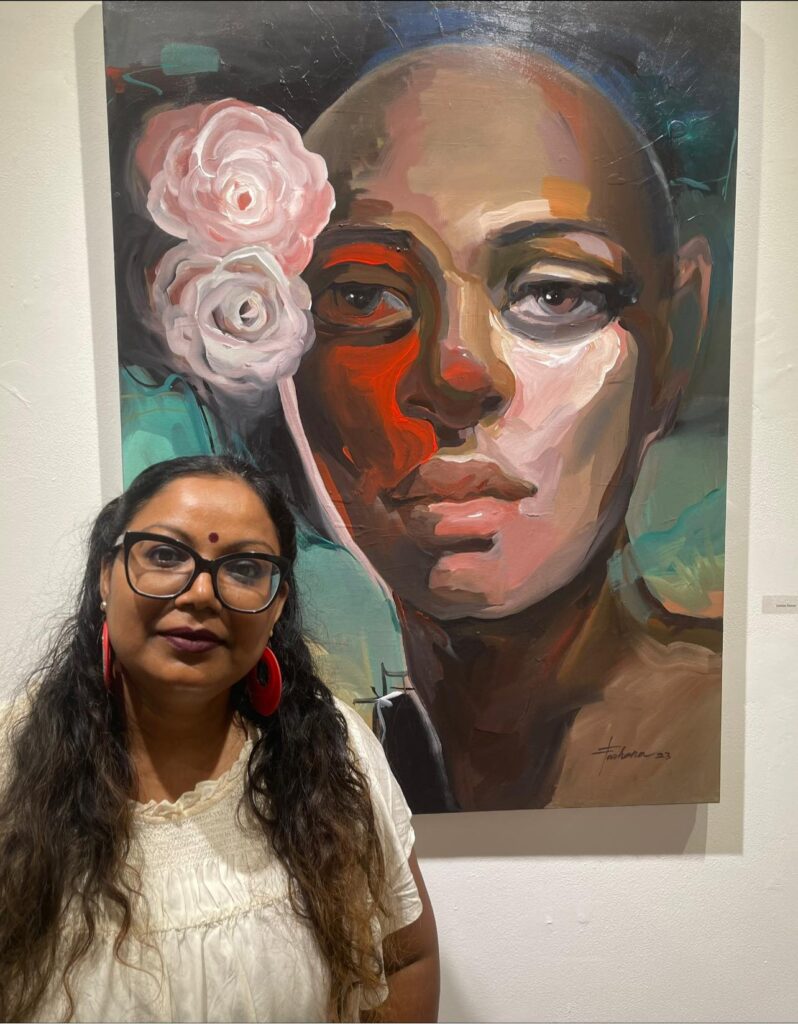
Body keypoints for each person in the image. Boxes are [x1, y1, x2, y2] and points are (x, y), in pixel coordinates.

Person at [281, 44, 721, 811]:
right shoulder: (290, 763)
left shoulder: (753, 739)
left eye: (555, 292)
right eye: (362, 296)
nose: (457, 374)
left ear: (675, 341)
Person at [0, 454, 439, 1023]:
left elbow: (406, 957)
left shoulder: (335, 751)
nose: (202, 594)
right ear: (106, 575)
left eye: (245, 567)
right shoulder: (12, 759)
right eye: (165, 555)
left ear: (277, 606)